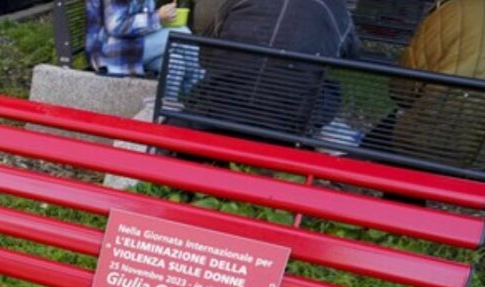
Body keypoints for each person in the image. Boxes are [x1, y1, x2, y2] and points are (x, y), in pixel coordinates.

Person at [183, 0, 360, 136]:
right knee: (331, 90)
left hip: (217, 111)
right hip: (286, 124)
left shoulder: (237, 2)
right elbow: (352, 54)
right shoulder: (336, 11)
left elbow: (206, 54)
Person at [373, 0, 485, 171]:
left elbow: (403, 88)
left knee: (383, 140)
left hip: (434, 139)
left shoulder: (452, 11)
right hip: (475, 156)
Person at [85, 0, 191, 77]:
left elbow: (142, 21)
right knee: (183, 34)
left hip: (133, 44)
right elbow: (116, 26)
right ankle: (199, 88)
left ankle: (166, 104)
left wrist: (161, 18)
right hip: (110, 51)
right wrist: (157, 17)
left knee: (177, 62)